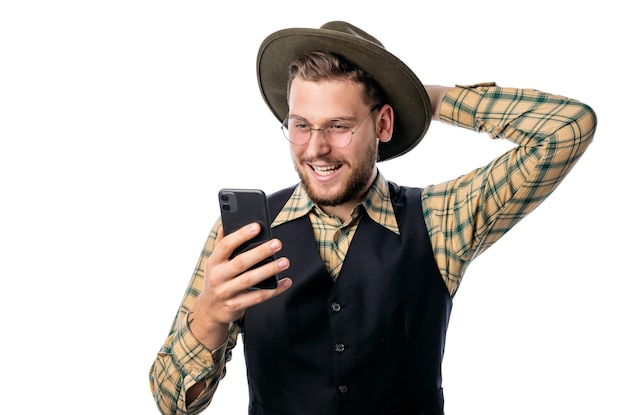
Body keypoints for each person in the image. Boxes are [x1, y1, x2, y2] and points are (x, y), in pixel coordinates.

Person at [149, 21, 596, 415]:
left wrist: (428, 99)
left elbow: (567, 128)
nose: (315, 148)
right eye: (301, 124)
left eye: (339, 126)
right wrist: (210, 315)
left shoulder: (442, 219)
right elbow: (171, 404)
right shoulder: (245, 233)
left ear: (383, 124)